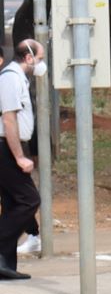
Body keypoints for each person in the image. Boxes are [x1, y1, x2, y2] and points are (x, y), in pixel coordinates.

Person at [0, 39, 46, 280]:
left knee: (12, 202)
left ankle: (5, 264)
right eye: (39, 59)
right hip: (5, 148)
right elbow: (9, 119)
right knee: (29, 200)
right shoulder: (10, 77)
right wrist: (19, 157)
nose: (40, 64)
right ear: (28, 58)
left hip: (10, 146)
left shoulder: (18, 78)